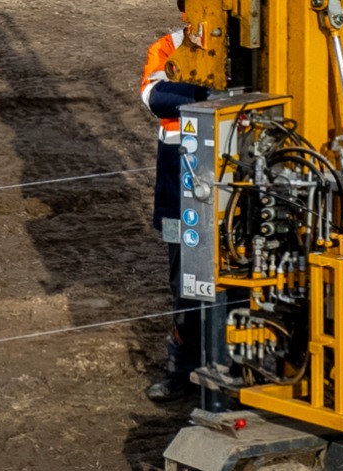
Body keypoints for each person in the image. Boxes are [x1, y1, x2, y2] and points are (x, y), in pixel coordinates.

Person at [140, 26, 208, 403]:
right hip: (177, 188)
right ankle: (182, 371)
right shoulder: (167, 48)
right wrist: (204, 96)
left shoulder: (245, 45)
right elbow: (152, 96)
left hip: (229, 184)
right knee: (184, 285)